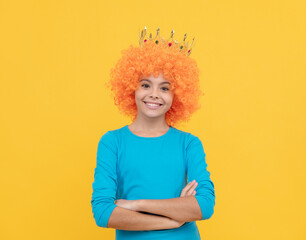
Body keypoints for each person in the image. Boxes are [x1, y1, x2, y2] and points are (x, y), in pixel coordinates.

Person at [91, 26, 215, 240]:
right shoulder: (113, 142)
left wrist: (136, 204)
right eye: (146, 85)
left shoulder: (188, 144)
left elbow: (204, 205)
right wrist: (173, 219)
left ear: (177, 95)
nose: (154, 95)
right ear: (132, 88)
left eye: (165, 88)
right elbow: (103, 213)